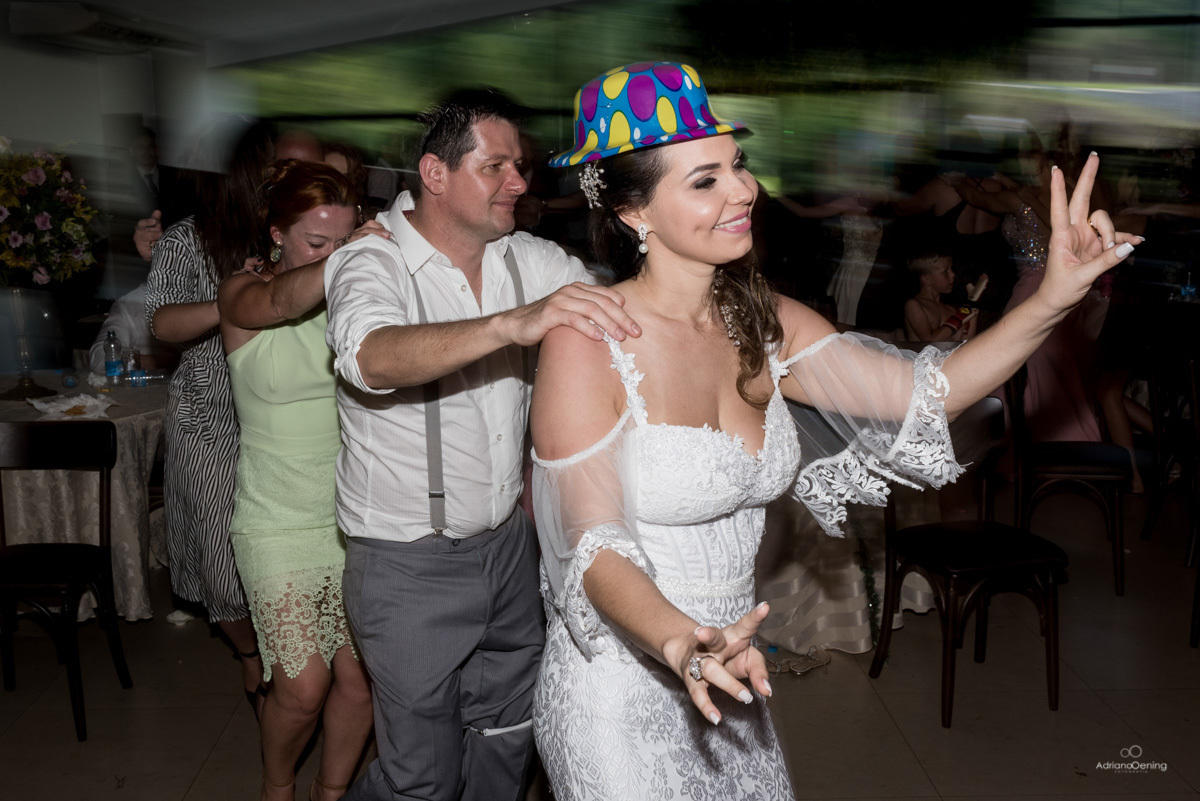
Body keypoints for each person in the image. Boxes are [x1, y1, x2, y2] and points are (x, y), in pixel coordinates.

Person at [530, 61, 1138, 800]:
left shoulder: (767, 318)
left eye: (738, 165)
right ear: (634, 215)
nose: (743, 190)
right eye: (704, 180)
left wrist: (1053, 299)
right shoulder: (587, 338)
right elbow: (592, 539)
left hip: (732, 673)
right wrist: (679, 640)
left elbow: (927, 391)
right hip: (623, 688)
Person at [322, 89, 640, 801]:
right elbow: (371, 358)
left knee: (506, 739)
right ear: (435, 174)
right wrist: (512, 325)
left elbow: (623, 309)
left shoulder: (526, 257)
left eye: (519, 166)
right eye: (496, 166)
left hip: (507, 547)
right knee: (419, 779)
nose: (520, 183)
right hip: (407, 561)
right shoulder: (369, 262)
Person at [219, 161, 380, 801]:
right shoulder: (241, 294)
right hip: (273, 520)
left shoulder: (361, 302)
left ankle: (331, 791)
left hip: (350, 517)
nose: (335, 255)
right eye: (318, 243)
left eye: (345, 240)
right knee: (302, 685)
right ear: (277, 232)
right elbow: (283, 301)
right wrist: (354, 257)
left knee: (360, 680)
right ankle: (277, 785)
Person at [144, 121, 275, 718]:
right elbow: (163, 325)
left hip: (282, 423)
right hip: (209, 422)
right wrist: (235, 298)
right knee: (224, 568)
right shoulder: (184, 241)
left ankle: (283, 660)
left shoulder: (287, 238)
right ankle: (252, 660)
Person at [903, 249, 979, 342]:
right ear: (927, 279)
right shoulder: (913, 305)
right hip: (918, 356)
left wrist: (972, 311)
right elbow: (929, 340)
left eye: (951, 269)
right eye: (946, 271)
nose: (953, 274)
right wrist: (957, 319)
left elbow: (963, 344)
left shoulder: (950, 309)